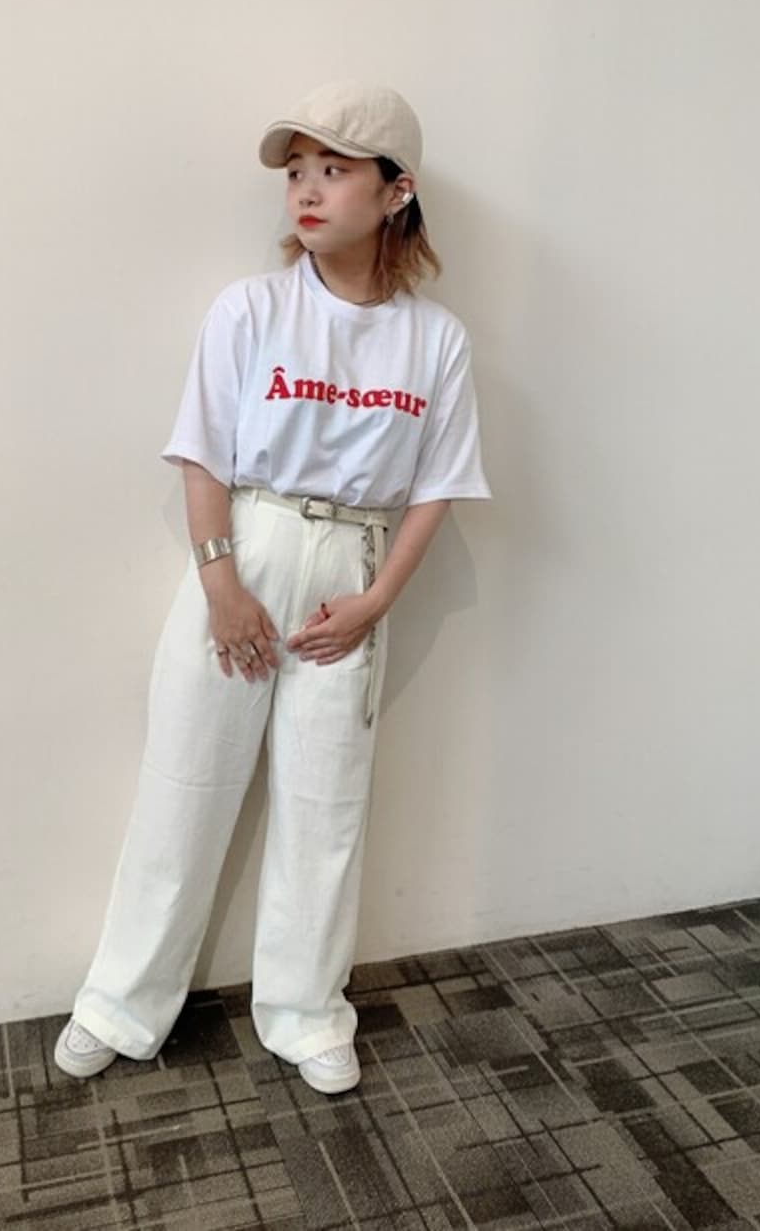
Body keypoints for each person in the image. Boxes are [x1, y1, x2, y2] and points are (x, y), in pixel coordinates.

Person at [54, 80, 492, 1094]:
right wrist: (221, 583)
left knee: (324, 802)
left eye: (334, 169)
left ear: (396, 190)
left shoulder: (436, 340)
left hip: (351, 571)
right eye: (297, 170)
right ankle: (120, 1002)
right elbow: (203, 452)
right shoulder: (250, 308)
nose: (307, 189)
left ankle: (305, 1012)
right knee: (184, 787)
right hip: (244, 553)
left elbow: (438, 486)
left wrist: (377, 600)